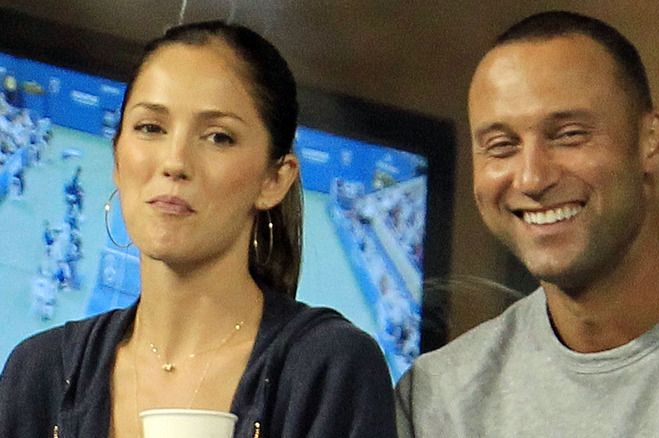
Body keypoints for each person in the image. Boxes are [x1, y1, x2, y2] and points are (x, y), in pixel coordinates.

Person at [0, 21, 396, 438]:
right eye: (150, 127)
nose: (175, 161)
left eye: (218, 137)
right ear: (117, 158)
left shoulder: (327, 371)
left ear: (275, 179)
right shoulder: (38, 374)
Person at [395, 10, 659, 437]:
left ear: (650, 140)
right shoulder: (441, 398)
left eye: (569, 135)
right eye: (501, 146)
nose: (532, 178)